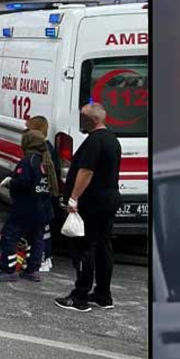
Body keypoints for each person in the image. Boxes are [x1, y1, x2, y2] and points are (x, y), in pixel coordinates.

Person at [56, 103, 122, 313]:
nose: (80, 119)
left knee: (84, 247)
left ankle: (80, 296)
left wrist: (74, 198)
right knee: (103, 247)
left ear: (94, 119)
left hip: (91, 202)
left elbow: (86, 172)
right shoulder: (112, 139)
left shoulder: (94, 141)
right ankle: (103, 294)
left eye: (83, 116)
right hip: (109, 199)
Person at [0, 130, 57, 284]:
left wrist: (11, 181)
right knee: (37, 239)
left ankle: (9, 269)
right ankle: (33, 270)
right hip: (43, 208)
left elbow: (22, 183)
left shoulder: (28, 161)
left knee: (9, 237)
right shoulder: (46, 161)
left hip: (25, 208)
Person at [25, 115, 62, 273]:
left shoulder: (34, 154)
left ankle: (36, 259)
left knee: (36, 232)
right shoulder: (49, 149)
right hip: (46, 197)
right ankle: (45, 258)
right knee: (44, 230)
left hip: (35, 198)